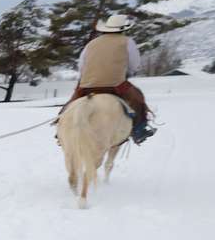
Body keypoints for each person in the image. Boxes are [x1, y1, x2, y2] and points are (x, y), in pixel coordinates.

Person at [61, 14, 156, 144]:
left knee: (71, 103)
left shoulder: (91, 43)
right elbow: (134, 64)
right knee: (137, 98)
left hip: (87, 84)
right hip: (115, 84)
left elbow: (81, 65)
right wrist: (129, 72)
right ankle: (139, 130)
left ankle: (60, 127)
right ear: (123, 29)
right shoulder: (127, 41)